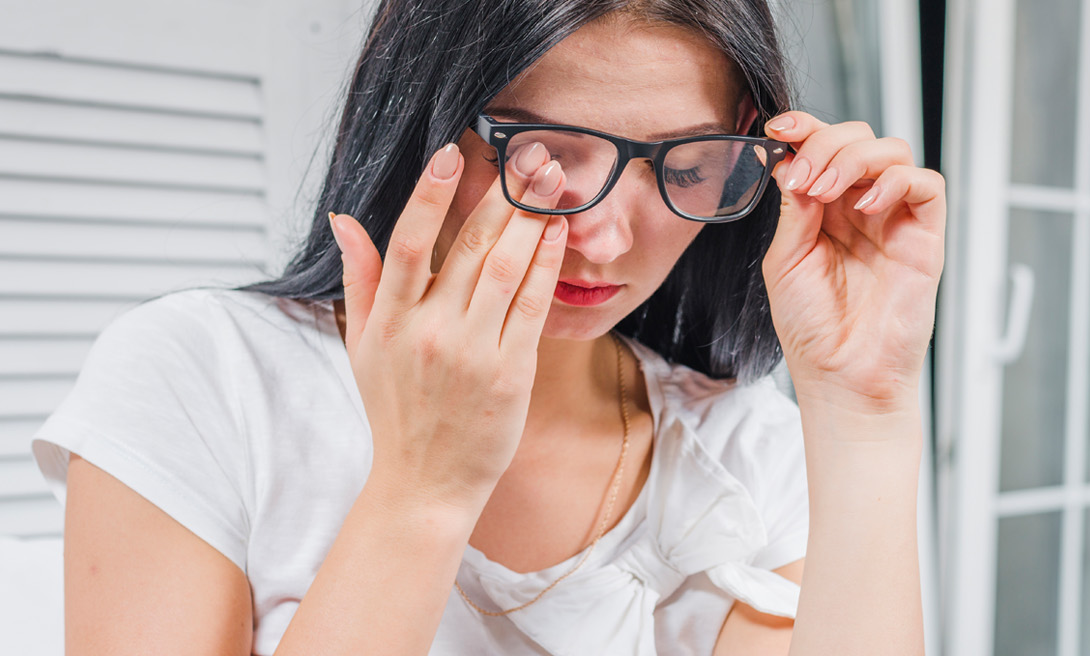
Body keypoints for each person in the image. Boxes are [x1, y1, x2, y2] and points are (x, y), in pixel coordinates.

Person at [29, 0, 945, 653]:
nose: (609, 234)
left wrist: (867, 411)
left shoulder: (747, 450)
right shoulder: (200, 377)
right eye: (541, 152)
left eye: (682, 161)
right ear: (420, 121)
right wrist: (424, 488)